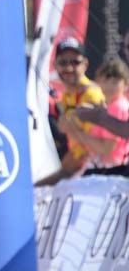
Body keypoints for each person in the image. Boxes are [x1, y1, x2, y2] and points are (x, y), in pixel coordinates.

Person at [36, 38, 106, 186]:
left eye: (75, 62)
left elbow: (91, 148)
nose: (68, 68)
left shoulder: (92, 95)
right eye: (63, 63)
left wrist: (62, 173)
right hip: (81, 171)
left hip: (97, 174)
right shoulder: (68, 95)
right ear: (55, 65)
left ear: (85, 64)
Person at [72, 58, 129, 177]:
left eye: (115, 81)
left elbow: (106, 149)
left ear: (125, 85)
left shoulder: (119, 107)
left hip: (111, 171)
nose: (109, 85)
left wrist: (74, 130)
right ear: (98, 81)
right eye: (106, 79)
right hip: (100, 168)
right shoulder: (107, 104)